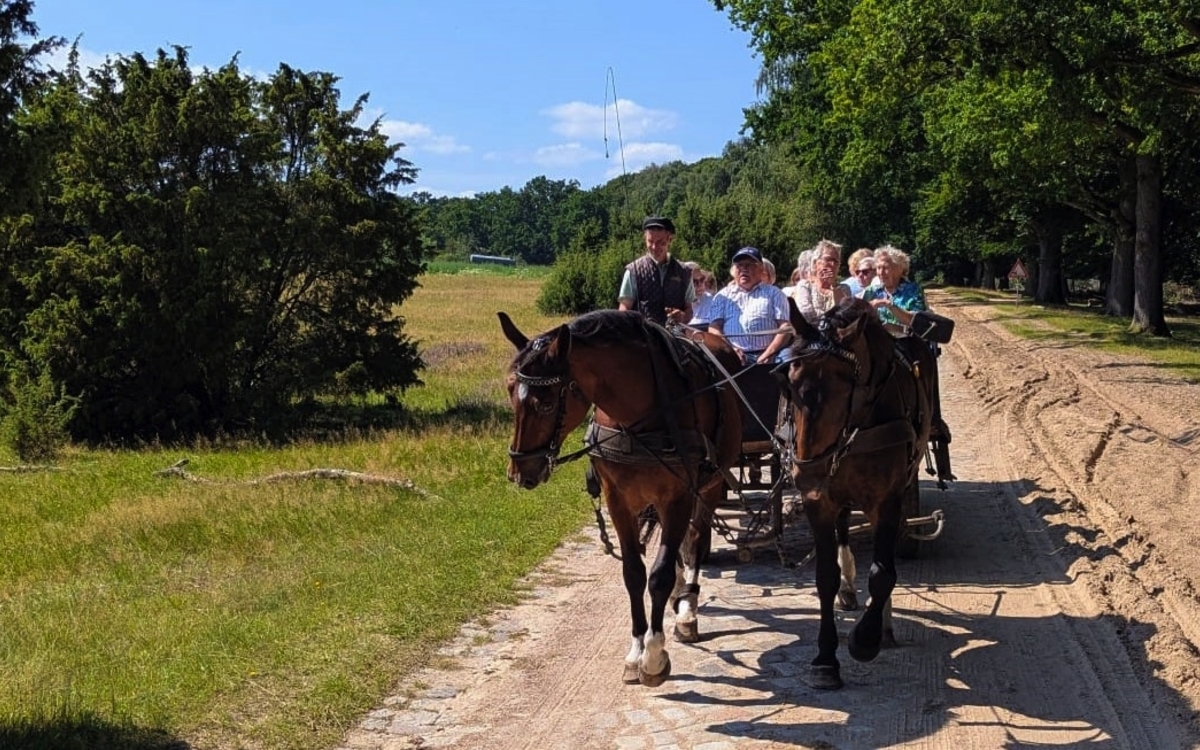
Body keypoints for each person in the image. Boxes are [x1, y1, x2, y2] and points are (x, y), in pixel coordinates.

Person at [707, 246, 791, 366]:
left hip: (770, 355)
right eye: (739, 265)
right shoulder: (722, 296)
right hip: (732, 355)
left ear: (761, 269)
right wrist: (731, 350)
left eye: (749, 265)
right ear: (734, 270)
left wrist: (769, 353)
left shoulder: (775, 293)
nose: (743, 269)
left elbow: (785, 328)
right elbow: (714, 328)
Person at [617, 216, 694, 326]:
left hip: (675, 336)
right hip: (644, 337)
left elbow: (689, 309)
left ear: (670, 239)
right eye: (650, 241)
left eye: (660, 242)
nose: (654, 246)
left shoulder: (684, 272)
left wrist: (683, 316)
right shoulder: (633, 271)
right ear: (645, 239)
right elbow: (624, 307)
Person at [861, 244, 927, 332]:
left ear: (900, 269)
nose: (881, 272)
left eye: (886, 268)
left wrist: (890, 306)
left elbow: (917, 322)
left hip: (906, 342)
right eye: (878, 268)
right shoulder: (871, 291)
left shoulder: (913, 290)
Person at [790, 239, 849, 324]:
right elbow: (807, 315)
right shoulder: (805, 286)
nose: (832, 264)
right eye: (828, 259)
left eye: (836, 261)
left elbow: (845, 314)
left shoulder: (844, 289)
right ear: (815, 263)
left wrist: (833, 287)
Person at [684, 262, 717, 329]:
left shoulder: (712, 300)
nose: (700, 284)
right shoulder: (674, 303)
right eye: (694, 282)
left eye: (702, 279)